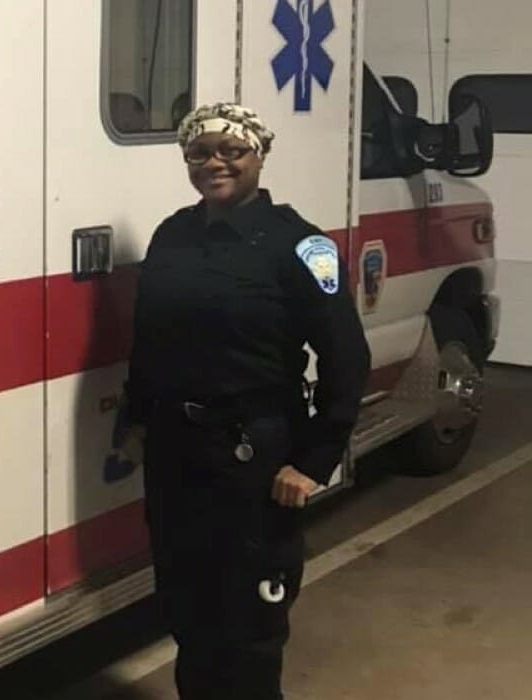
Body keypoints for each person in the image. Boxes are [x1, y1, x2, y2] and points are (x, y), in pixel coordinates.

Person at [113, 103, 371, 699]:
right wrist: (138, 417)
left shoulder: (302, 245)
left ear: (259, 156)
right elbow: (150, 340)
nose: (214, 164)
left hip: (254, 457)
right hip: (177, 455)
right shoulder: (172, 234)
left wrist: (314, 460)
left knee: (250, 626)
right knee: (188, 613)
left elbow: (345, 357)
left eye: (232, 150)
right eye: (200, 153)